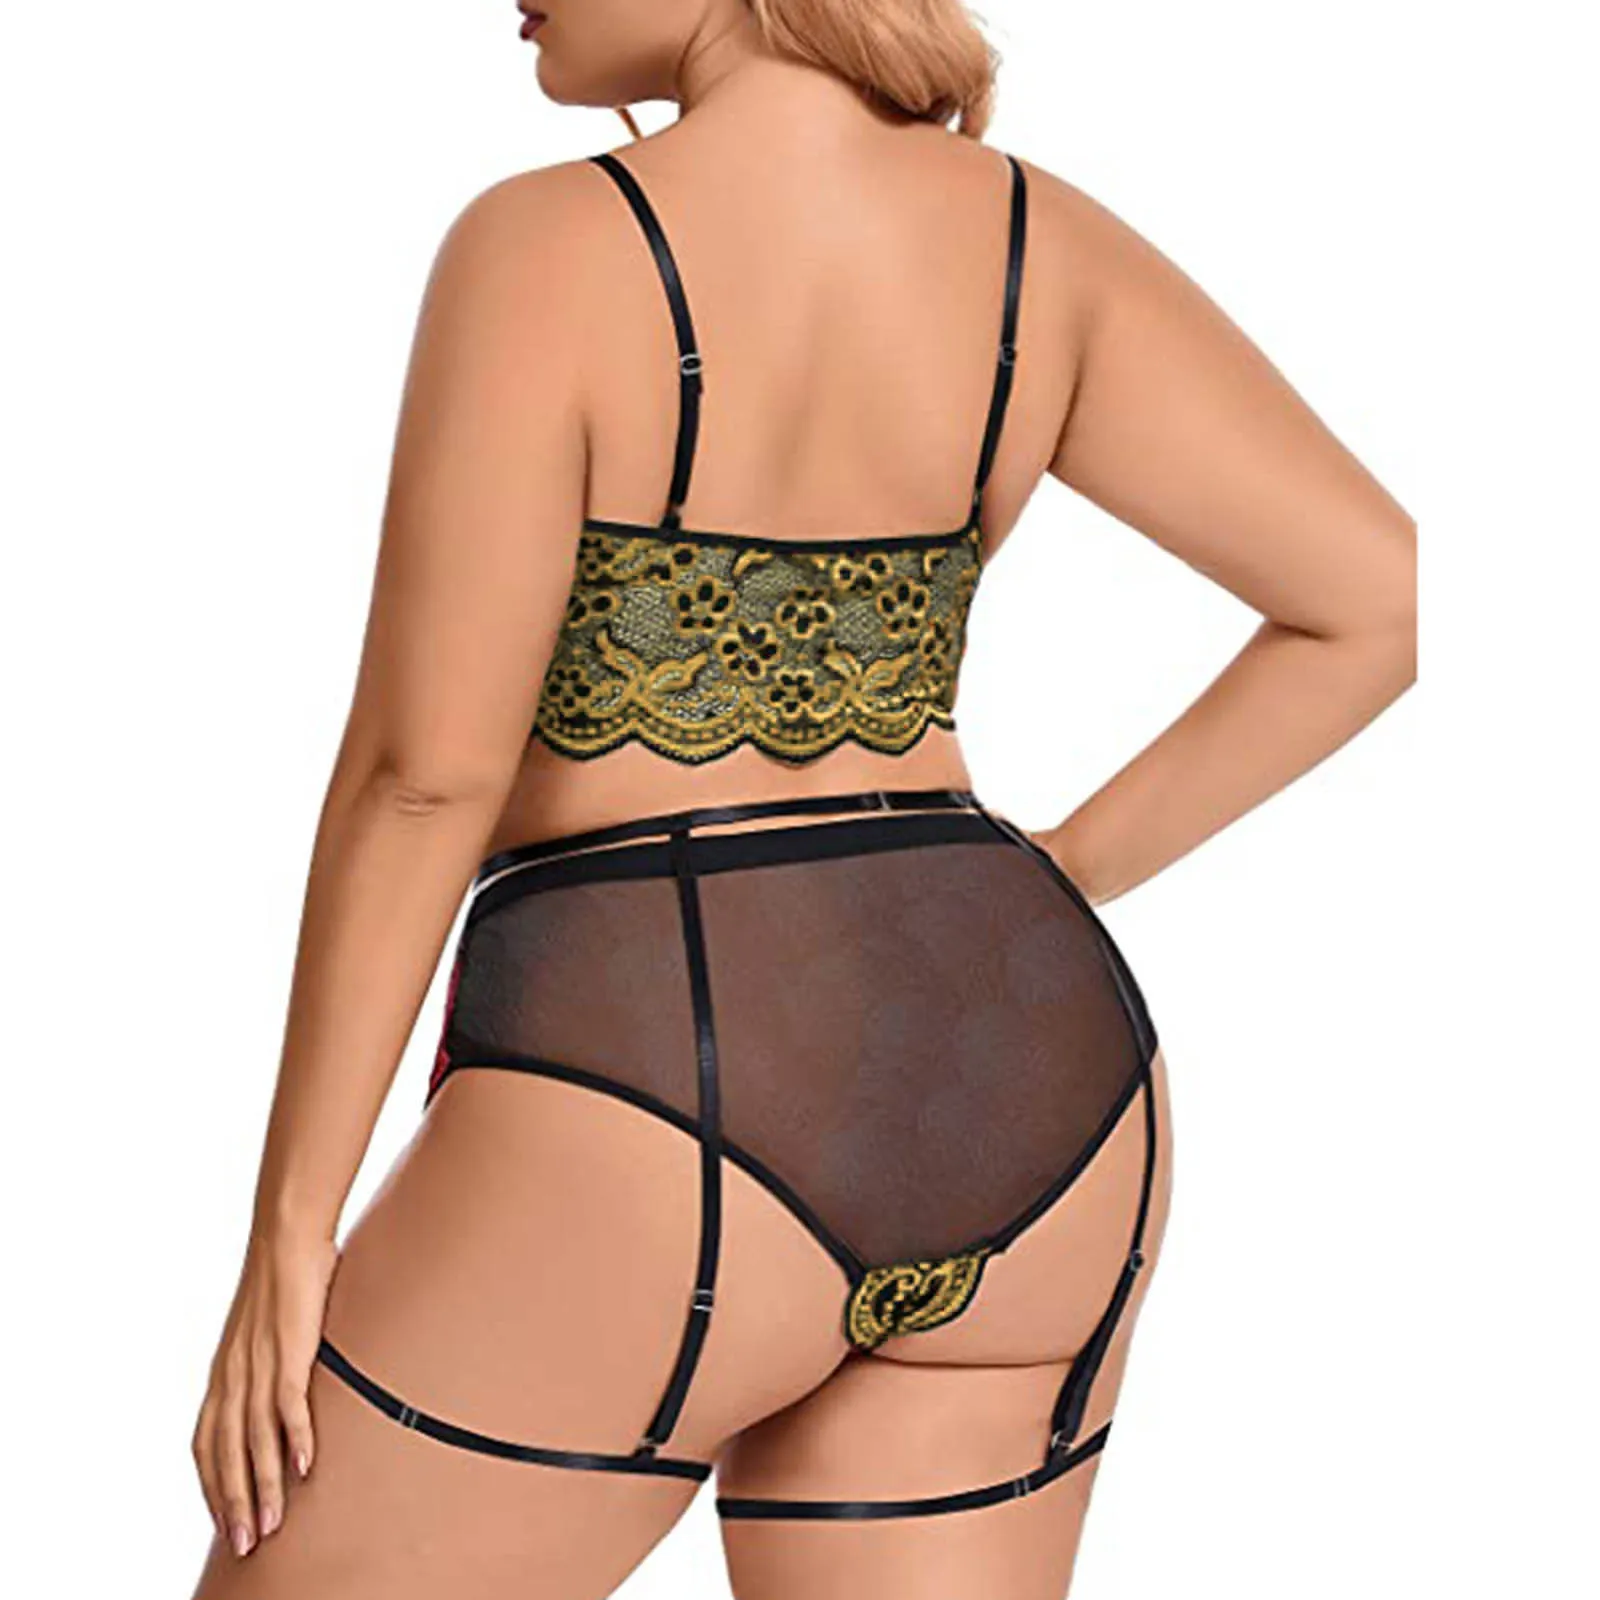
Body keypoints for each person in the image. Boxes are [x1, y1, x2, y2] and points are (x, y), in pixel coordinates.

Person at [189, 2, 1416, 1595]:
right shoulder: (1042, 245)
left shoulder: (549, 244)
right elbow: (1380, 600)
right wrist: (1045, 883)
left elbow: (425, 776)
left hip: (643, 1057)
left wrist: (289, 1235)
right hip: (1038, 1088)